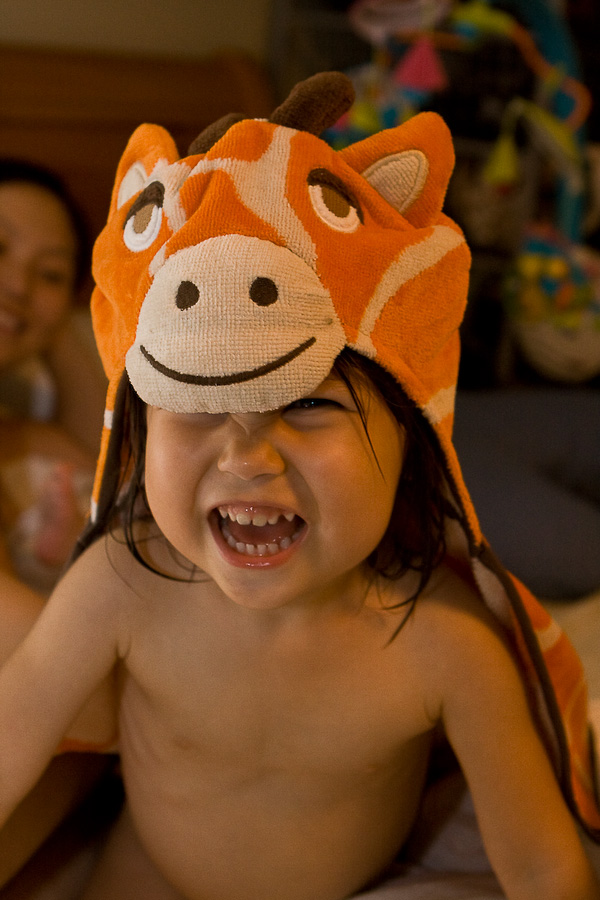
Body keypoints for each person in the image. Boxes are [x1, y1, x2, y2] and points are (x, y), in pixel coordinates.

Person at [0, 72, 599, 900]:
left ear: (413, 442)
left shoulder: (447, 647)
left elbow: (541, 868)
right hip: (147, 877)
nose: (249, 456)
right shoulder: (116, 589)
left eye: (309, 405)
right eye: (196, 406)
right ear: (136, 444)